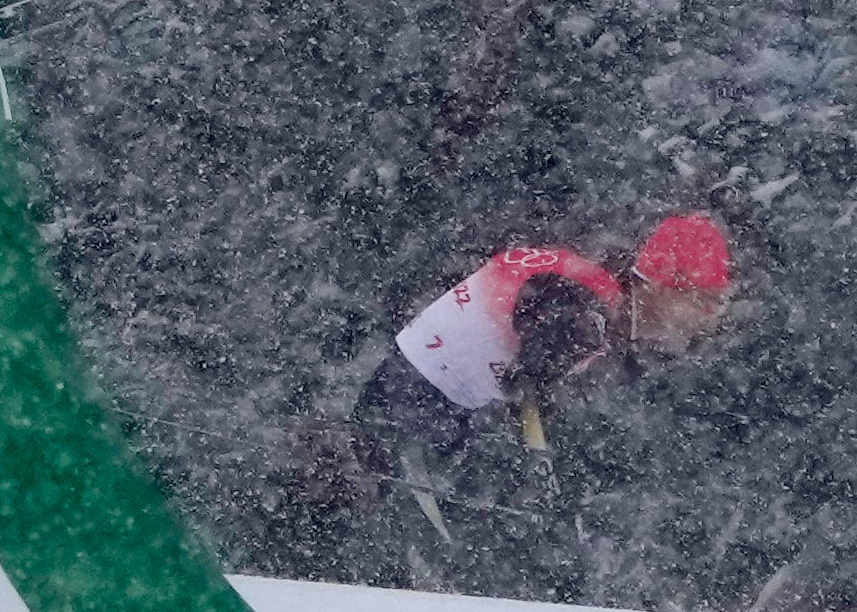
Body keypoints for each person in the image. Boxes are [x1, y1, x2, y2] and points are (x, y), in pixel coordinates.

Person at [297, 214, 739, 586]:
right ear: (662, 287)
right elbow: (527, 392)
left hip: (425, 396)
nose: (709, 321)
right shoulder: (586, 314)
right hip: (419, 408)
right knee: (430, 565)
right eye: (702, 303)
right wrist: (541, 489)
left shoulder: (595, 292)